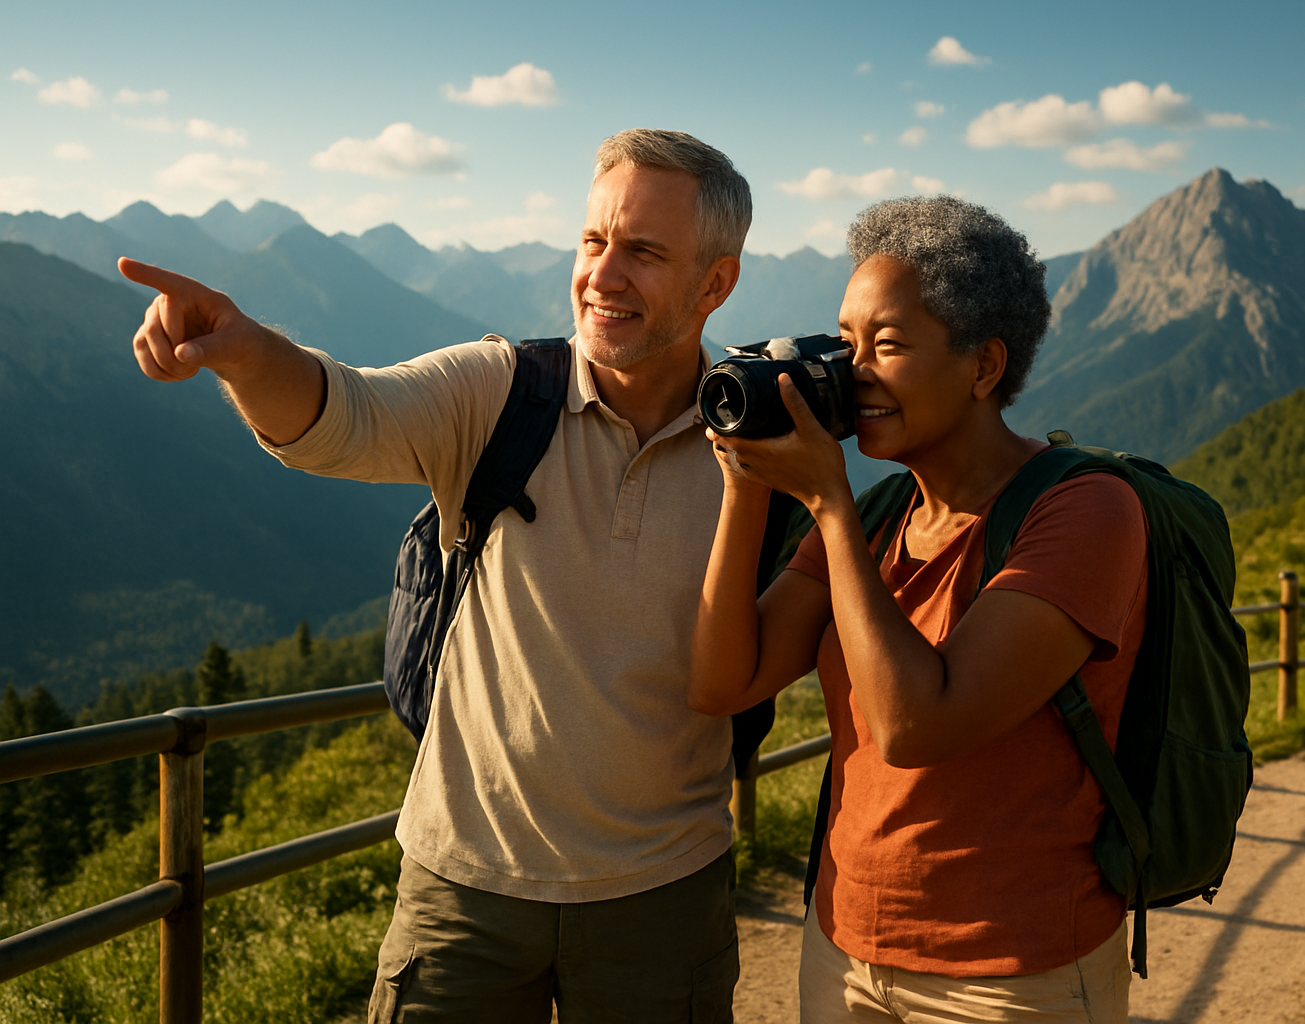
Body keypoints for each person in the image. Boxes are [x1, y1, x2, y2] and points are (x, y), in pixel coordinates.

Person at [122, 129, 752, 1023]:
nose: (603, 276)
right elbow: (347, 414)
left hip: (662, 895)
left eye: (644, 252)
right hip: (464, 890)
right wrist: (246, 350)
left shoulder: (759, 440)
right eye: (593, 241)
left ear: (716, 282)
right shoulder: (500, 392)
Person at [690, 195, 1147, 1022]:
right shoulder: (879, 517)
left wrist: (828, 504)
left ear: (982, 367)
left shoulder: (1085, 513)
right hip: (844, 947)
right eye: (847, 340)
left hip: (1011, 972)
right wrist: (745, 487)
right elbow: (727, 680)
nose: (852, 369)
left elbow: (914, 726)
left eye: (888, 345)